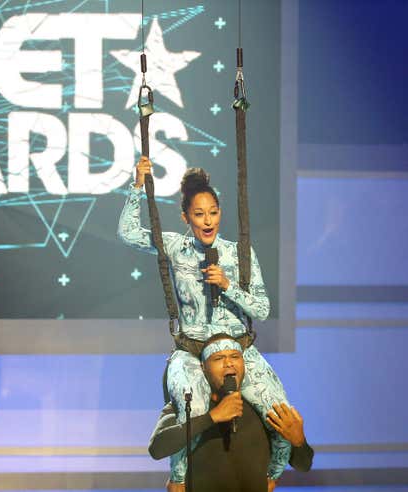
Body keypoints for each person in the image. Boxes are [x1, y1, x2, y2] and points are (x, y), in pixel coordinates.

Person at [118, 158, 291, 483]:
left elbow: (263, 309)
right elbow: (128, 233)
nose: (207, 220)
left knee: (282, 415)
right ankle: (180, 479)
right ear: (186, 217)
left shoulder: (240, 253)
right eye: (199, 214)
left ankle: (271, 477)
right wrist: (137, 186)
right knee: (191, 411)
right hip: (193, 353)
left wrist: (228, 286)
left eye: (213, 212)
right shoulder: (174, 247)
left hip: (239, 351)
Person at [146, 336, 314, 492]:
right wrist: (212, 417)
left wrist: (299, 442)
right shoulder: (188, 406)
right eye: (218, 358)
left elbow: (304, 465)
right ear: (203, 368)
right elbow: (157, 449)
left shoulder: (264, 411)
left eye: (235, 357)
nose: (229, 363)